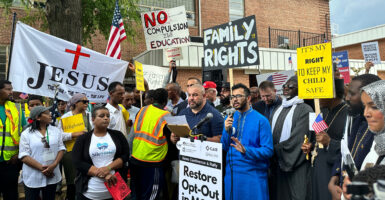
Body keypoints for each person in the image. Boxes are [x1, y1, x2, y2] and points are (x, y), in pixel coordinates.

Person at [328, 74, 381, 200]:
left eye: (352, 94)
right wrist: (336, 176)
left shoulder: (377, 127)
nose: (347, 98)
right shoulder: (356, 119)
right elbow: (345, 150)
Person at [222, 83, 273, 200]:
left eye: (238, 96)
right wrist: (226, 130)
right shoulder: (229, 118)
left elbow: (268, 150)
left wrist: (246, 150)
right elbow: (224, 147)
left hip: (253, 176)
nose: (234, 100)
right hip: (231, 175)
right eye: (232, 97)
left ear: (248, 98)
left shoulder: (261, 120)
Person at [304, 79, 348, 200]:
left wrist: (329, 142)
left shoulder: (347, 113)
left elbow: (349, 147)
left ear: (332, 94)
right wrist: (311, 146)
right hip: (318, 165)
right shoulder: (321, 111)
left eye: (320, 93)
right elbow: (318, 138)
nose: (316, 98)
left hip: (332, 170)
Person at [72, 106, 129, 200]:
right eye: (101, 116)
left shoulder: (118, 135)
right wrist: (105, 174)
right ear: (93, 119)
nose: (106, 118)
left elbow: (125, 155)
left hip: (116, 187)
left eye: (108, 116)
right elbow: (77, 161)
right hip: (90, 192)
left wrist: (108, 168)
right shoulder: (83, 139)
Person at [270, 76, 313, 200]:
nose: (286, 89)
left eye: (291, 86)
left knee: (297, 195)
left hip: (295, 162)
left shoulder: (306, 109)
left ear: (300, 89)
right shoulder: (278, 108)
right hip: (277, 164)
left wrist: (272, 150)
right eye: (284, 86)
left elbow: (298, 139)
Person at [130, 88, 172, 200]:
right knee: (150, 197)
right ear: (165, 101)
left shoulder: (142, 110)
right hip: (152, 162)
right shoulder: (167, 115)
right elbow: (171, 138)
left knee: (136, 194)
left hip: (135, 157)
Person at [19, 106, 66, 200]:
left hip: (52, 173)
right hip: (33, 176)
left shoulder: (55, 130)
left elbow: (61, 148)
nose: (50, 114)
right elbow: (24, 155)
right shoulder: (26, 134)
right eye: (47, 113)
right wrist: (43, 169)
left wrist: (54, 164)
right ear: (38, 117)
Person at [58, 93, 93, 200]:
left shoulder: (89, 115)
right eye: (84, 102)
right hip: (70, 152)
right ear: (75, 103)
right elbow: (59, 136)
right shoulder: (66, 117)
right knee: (72, 180)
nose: (87, 104)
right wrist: (74, 134)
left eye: (87, 101)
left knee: (85, 177)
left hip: (86, 151)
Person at [0, 80, 24, 199]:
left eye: (11, 89)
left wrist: (19, 154)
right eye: (8, 89)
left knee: (11, 195)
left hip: (11, 162)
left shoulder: (17, 109)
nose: (11, 92)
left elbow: (24, 134)